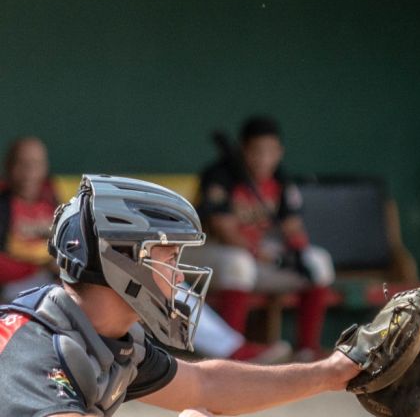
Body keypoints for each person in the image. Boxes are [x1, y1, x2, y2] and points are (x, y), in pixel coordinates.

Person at [0, 174, 360, 416]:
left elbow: (208, 384)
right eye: (170, 256)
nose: (180, 274)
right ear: (121, 261)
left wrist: (333, 373)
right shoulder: (30, 350)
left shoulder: (106, 339)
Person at [189, 115, 336, 361]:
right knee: (239, 262)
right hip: (208, 250)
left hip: (261, 255)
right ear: (243, 150)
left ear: (280, 152)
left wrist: (297, 252)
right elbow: (223, 228)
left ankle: (307, 349)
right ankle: (232, 351)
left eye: (270, 152)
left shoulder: (279, 178)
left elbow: (292, 225)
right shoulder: (220, 174)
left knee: (318, 261)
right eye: (256, 151)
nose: (263, 159)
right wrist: (259, 253)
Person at [0, 136, 59, 302]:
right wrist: (40, 266)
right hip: (10, 293)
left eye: (37, 164)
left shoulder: (52, 198)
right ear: (8, 166)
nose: (30, 172)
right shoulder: (3, 202)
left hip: (50, 287)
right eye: (22, 164)